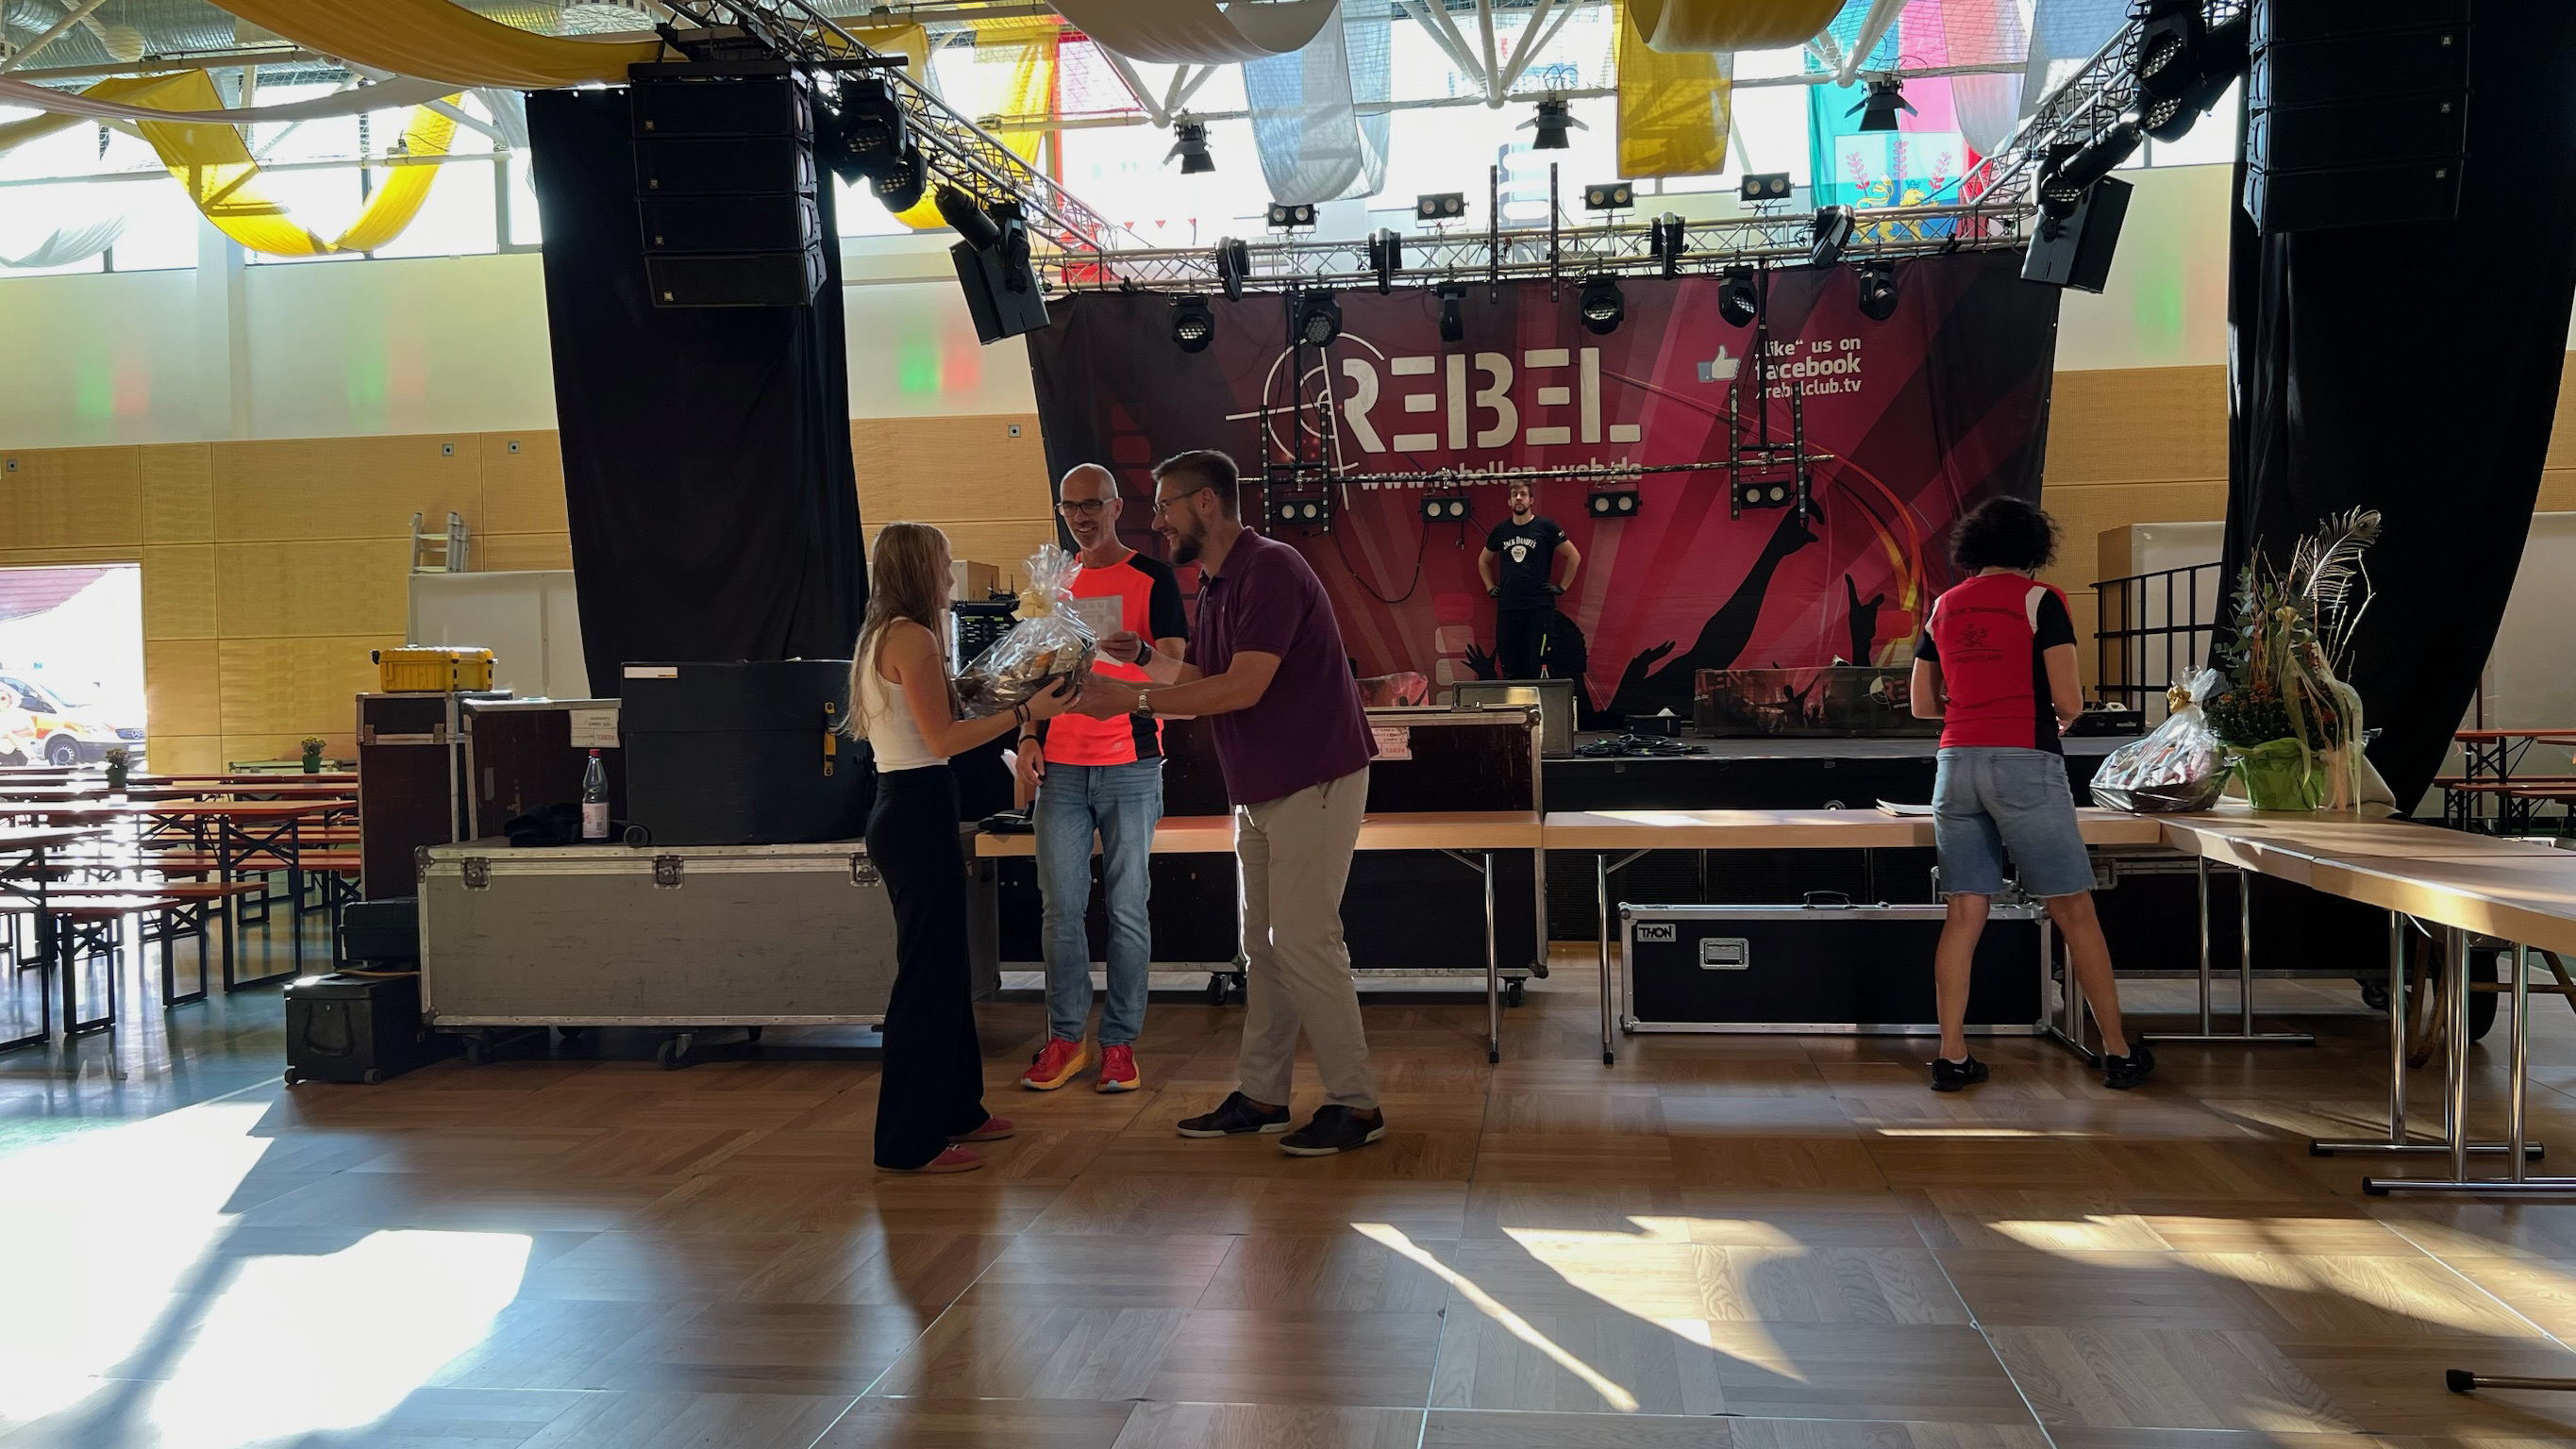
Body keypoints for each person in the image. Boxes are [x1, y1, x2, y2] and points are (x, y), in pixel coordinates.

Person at [1072, 449, 1386, 1157]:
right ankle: (1264, 1096)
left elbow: (1244, 687)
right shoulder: (1219, 581)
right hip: (1263, 787)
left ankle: (1356, 1103)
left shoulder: (1270, 568)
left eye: (1165, 506)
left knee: (1304, 941)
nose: (1157, 522)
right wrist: (1143, 660)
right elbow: (1204, 677)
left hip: (1312, 778)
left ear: (1206, 502)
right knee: (1264, 948)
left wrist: (1133, 700)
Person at [849, 522, 1079, 1173]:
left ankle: (958, 1108)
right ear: (922, 569)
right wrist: (1029, 714)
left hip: (908, 807)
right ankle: (908, 1142)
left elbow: (943, 718)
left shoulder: (884, 634)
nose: (952, 577)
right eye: (945, 564)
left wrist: (1013, 680)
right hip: (915, 809)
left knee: (946, 969)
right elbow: (945, 739)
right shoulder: (913, 637)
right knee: (927, 979)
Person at [1911, 496, 2155, 1093]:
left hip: (1954, 763)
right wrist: (2054, 715)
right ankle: (2117, 1050)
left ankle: (1951, 1055)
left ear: (1972, 547)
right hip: (2024, 759)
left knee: (1964, 911)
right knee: (2073, 908)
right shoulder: (2040, 600)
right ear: (2034, 548)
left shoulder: (1943, 604)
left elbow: (1920, 704)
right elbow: (2069, 700)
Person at [1014, 464, 1189, 1094]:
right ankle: (1065, 1039)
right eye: (1070, 507)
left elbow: (1177, 675)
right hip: (1060, 766)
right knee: (1060, 910)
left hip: (1131, 762)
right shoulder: (1052, 584)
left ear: (1117, 507)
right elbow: (1031, 673)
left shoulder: (1154, 577)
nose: (1080, 517)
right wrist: (1028, 737)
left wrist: (1137, 653)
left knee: (1127, 907)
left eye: (1091, 505)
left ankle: (1120, 1044)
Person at [1479, 479, 1581, 679]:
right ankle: (1512, 699)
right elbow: (1483, 560)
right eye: (1514, 494)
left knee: (1537, 666)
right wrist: (1490, 587)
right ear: (1509, 501)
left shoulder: (1546, 527)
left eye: (1523, 494)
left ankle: (1537, 700)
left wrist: (1562, 587)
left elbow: (1573, 556)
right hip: (1508, 607)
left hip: (1538, 608)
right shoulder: (1501, 530)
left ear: (1531, 500)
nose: (1519, 498)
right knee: (1510, 667)